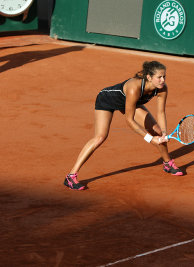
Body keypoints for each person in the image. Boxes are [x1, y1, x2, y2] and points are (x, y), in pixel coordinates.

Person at [64, 61, 183, 190]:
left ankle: (168, 164)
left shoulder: (162, 89)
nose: (162, 80)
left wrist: (164, 133)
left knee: (158, 131)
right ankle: (71, 176)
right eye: (159, 77)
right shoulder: (134, 87)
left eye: (164, 76)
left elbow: (161, 112)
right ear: (149, 77)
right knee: (100, 137)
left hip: (131, 102)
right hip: (106, 100)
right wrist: (150, 139)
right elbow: (130, 120)